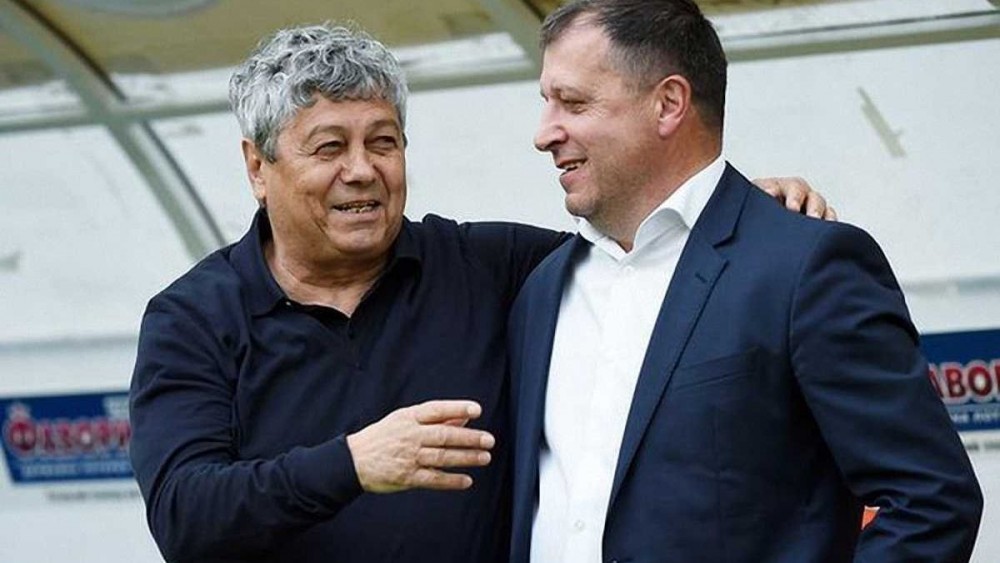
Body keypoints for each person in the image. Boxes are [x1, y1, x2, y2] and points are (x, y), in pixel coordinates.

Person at [128, 22, 831, 563]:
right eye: (329, 148)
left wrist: (731, 210)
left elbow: (644, 253)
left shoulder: (492, 266)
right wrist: (353, 463)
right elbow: (186, 515)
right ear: (258, 167)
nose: (363, 170)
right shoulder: (194, 317)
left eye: (383, 142)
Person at [507, 1, 983, 562]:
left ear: (668, 104)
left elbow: (932, 499)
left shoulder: (803, 266)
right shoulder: (541, 290)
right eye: (546, 102)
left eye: (573, 103)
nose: (543, 134)